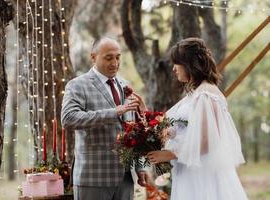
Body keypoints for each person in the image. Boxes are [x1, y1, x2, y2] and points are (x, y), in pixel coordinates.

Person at [146, 38, 249, 200]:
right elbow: (188, 128)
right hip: (189, 169)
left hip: (201, 173)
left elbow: (207, 141)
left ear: (189, 64)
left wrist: (170, 154)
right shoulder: (196, 93)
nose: (174, 68)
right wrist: (166, 133)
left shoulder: (205, 94)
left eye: (177, 63)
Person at [61, 37, 148, 200]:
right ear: (93, 57)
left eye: (118, 57)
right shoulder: (77, 85)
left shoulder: (125, 84)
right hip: (93, 178)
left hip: (125, 179)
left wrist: (140, 166)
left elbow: (134, 130)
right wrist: (113, 112)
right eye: (109, 58)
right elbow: (68, 118)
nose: (115, 63)